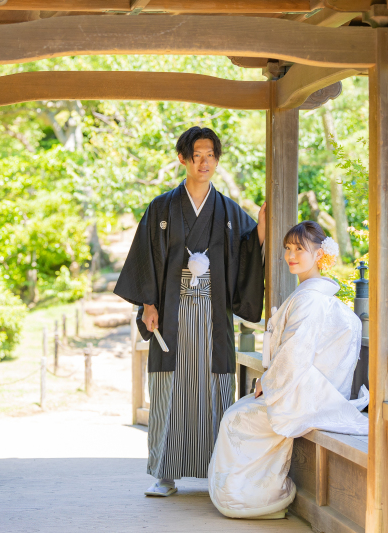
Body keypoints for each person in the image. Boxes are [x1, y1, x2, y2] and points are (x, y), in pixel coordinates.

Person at [114, 126, 266, 497]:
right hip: (172, 312)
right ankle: (164, 474)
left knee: (214, 389)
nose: (205, 162)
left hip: (213, 316)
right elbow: (146, 257)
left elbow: (248, 252)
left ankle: (217, 471)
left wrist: (262, 230)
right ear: (183, 158)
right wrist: (148, 304)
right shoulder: (162, 208)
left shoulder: (229, 210)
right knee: (170, 390)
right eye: (197, 155)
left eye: (211, 155)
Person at [208, 221, 369, 519]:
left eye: (300, 249)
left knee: (236, 419)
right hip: (298, 384)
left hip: (302, 390)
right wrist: (267, 382)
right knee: (237, 414)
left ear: (319, 254)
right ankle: (249, 494)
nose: (291, 255)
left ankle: (257, 499)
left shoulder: (309, 299)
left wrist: (268, 383)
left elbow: (295, 353)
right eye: (287, 248)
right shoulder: (310, 295)